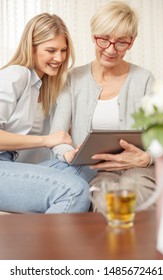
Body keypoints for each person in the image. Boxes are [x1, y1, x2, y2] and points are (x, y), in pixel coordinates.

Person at [50, 1, 156, 205]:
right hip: (95, 170)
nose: (111, 49)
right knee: (103, 196)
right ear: (93, 36)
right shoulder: (73, 79)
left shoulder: (144, 79)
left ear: (131, 42)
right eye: (104, 39)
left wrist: (147, 158)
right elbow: (58, 134)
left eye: (121, 42)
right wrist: (68, 153)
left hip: (138, 168)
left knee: (137, 187)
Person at [0, 13, 96, 214]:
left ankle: (35, 233)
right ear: (31, 48)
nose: (59, 58)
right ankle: (42, 245)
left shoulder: (48, 87)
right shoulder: (16, 75)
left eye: (63, 50)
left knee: (86, 167)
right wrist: (47, 140)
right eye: (51, 50)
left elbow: (57, 140)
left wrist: (68, 152)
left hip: (11, 166)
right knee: (75, 191)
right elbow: (48, 140)